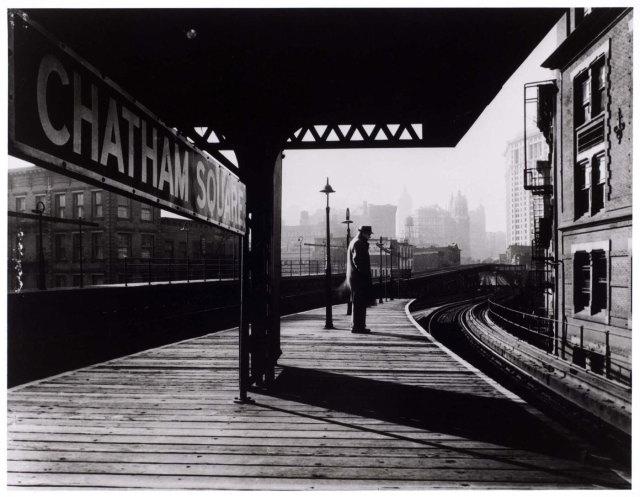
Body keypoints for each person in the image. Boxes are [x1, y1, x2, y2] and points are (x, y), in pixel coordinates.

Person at [346, 225, 373, 334]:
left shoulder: (355, 242)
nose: (370, 236)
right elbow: (358, 261)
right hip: (359, 279)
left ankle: (358, 325)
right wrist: (365, 274)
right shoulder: (358, 243)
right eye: (369, 234)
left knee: (358, 303)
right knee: (360, 303)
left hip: (355, 278)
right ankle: (358, 327)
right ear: (364, 233)